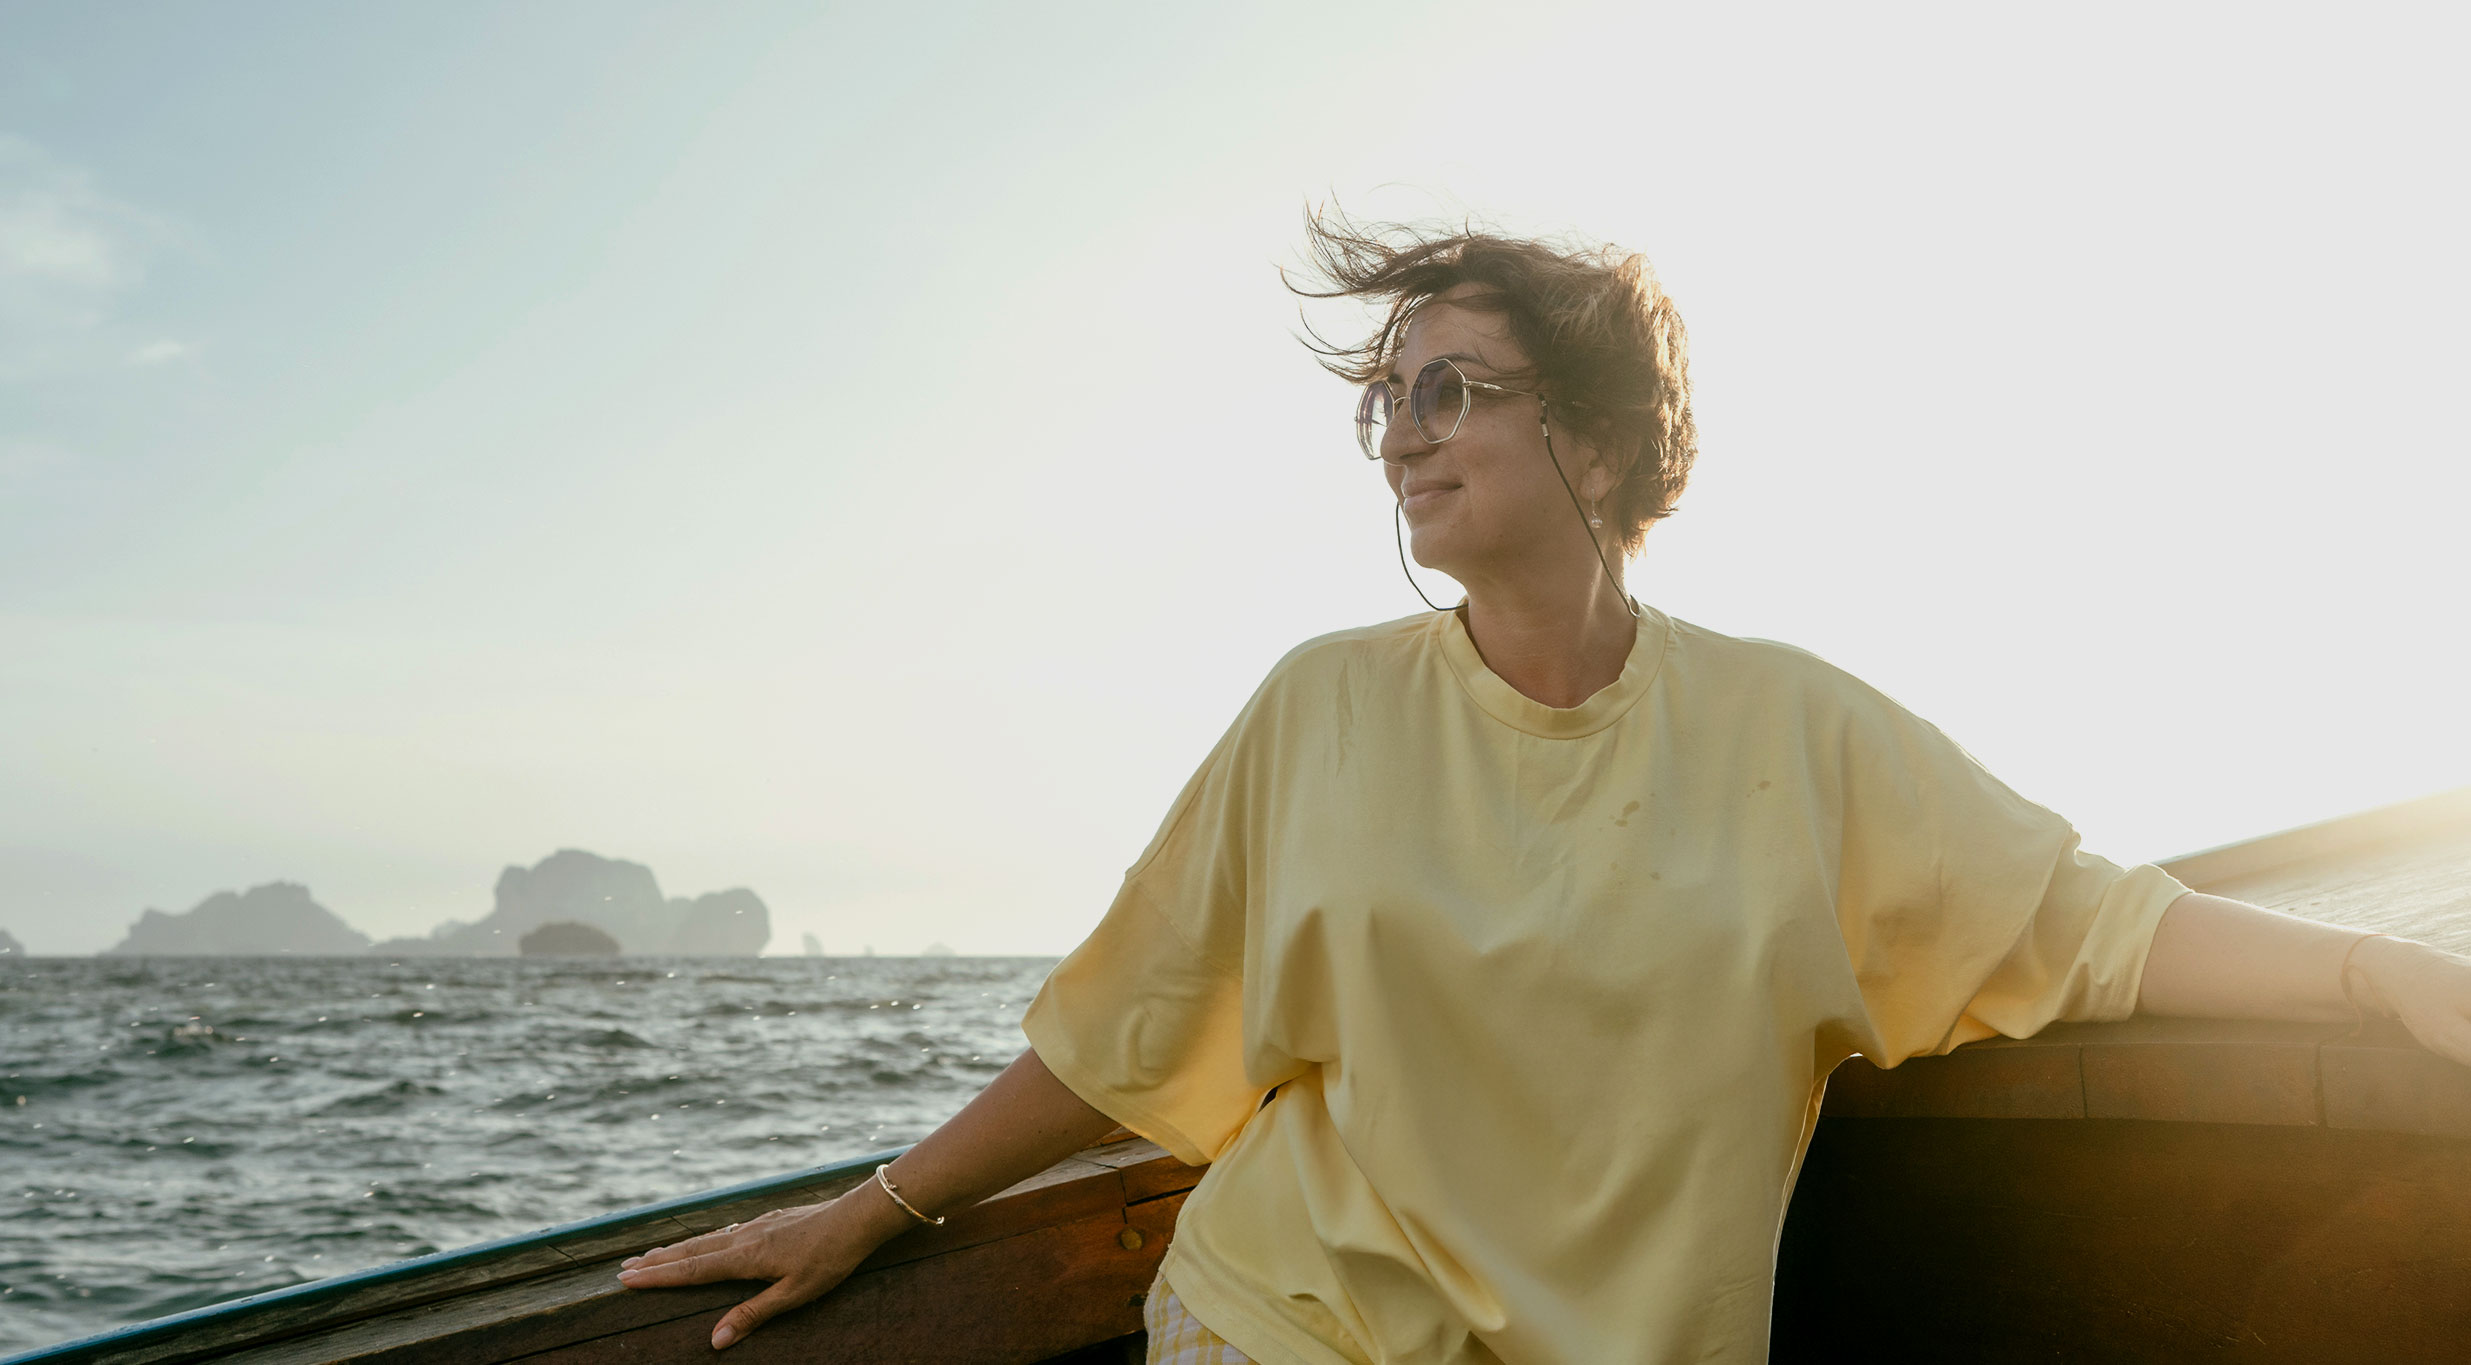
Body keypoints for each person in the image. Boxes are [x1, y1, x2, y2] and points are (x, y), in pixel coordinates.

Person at [615, 220, 2471, 1364]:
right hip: (1296, 1325)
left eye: (1450, 391)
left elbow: (2092, 922)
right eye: (1387, 401)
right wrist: (873, 1209)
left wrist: (2384, 977)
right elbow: (1127, 1025)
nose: (1403, 433)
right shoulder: (1318, 710)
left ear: (1586, 434)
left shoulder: (1798, 736)